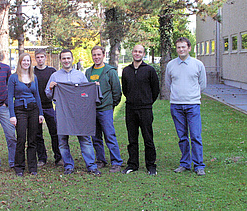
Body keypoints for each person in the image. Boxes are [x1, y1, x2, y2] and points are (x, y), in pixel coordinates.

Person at [45, 49, 101, 175]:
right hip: (62, 113)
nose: (66, 61)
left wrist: (94, 87)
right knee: (62, 141)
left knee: (85, 138)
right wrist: (50, 87)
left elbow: (87, 92)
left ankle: (91, 166)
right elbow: (48, 95)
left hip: (79, 113)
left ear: (72, 59)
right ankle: (68, 165)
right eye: (63, 58)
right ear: (60, 60)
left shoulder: (80, 75)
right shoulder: (55, 76)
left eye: (68, 58)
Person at [165, 37, 207, 176]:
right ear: (176, 49)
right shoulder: (171, 65)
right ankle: (185, 163)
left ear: (189, 48)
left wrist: (191, 96)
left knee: (195, 136)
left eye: (183, 47)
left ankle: (199, 165)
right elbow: (168, 84)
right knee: (182, 137)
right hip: (176, 105)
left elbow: (203, 84)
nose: (181, 49)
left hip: (193, 105)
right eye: (178, 47)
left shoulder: (198, 64)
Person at [121, 44, 160, 175]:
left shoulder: (149, 70)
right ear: (132, 53)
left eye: (140, 52)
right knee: (132, 139)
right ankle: (132, 164)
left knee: (148, 138)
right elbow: (125, 89)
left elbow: (155, 90)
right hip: (130, 108)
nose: (137, 53)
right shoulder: (126, 70)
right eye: (135, 51)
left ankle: (151, 165)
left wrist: (147, 101)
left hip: (145, 109)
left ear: (143, 54)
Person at [85, 45, 123, 173]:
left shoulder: (110, 71)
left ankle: (116, 162)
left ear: (103, 54)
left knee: (109, 135)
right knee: (95, 137)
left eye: (98, 54)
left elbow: (117, 91)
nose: (96, 57)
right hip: (92, 110)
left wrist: (111, 105)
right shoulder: (88, 72)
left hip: (105, 109)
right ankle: (101, 160)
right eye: (94, 55)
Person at [8, 53, 44, 177]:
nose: (26, 63)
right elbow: (10, 97)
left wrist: (40, 113)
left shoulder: (33, 77)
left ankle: (32, 166)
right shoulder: (13, 78)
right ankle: (19, 167)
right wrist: (12, 115)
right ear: (20, 62)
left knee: (33, 139)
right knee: (21, 138)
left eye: (28, 61)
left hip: (33, 109)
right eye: (24, 61)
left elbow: (37, 96)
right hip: (20, 110)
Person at [34, 49, 63, 167]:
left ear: (45, 57)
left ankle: (59, 157)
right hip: (36, 107)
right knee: (37, 134)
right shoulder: (32, 71)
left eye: (42, 57)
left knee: (55, 132)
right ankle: (42, 158)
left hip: (49, 106)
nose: (40, 59)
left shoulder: (52, 71)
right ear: (35, 58)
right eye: (38, 57)